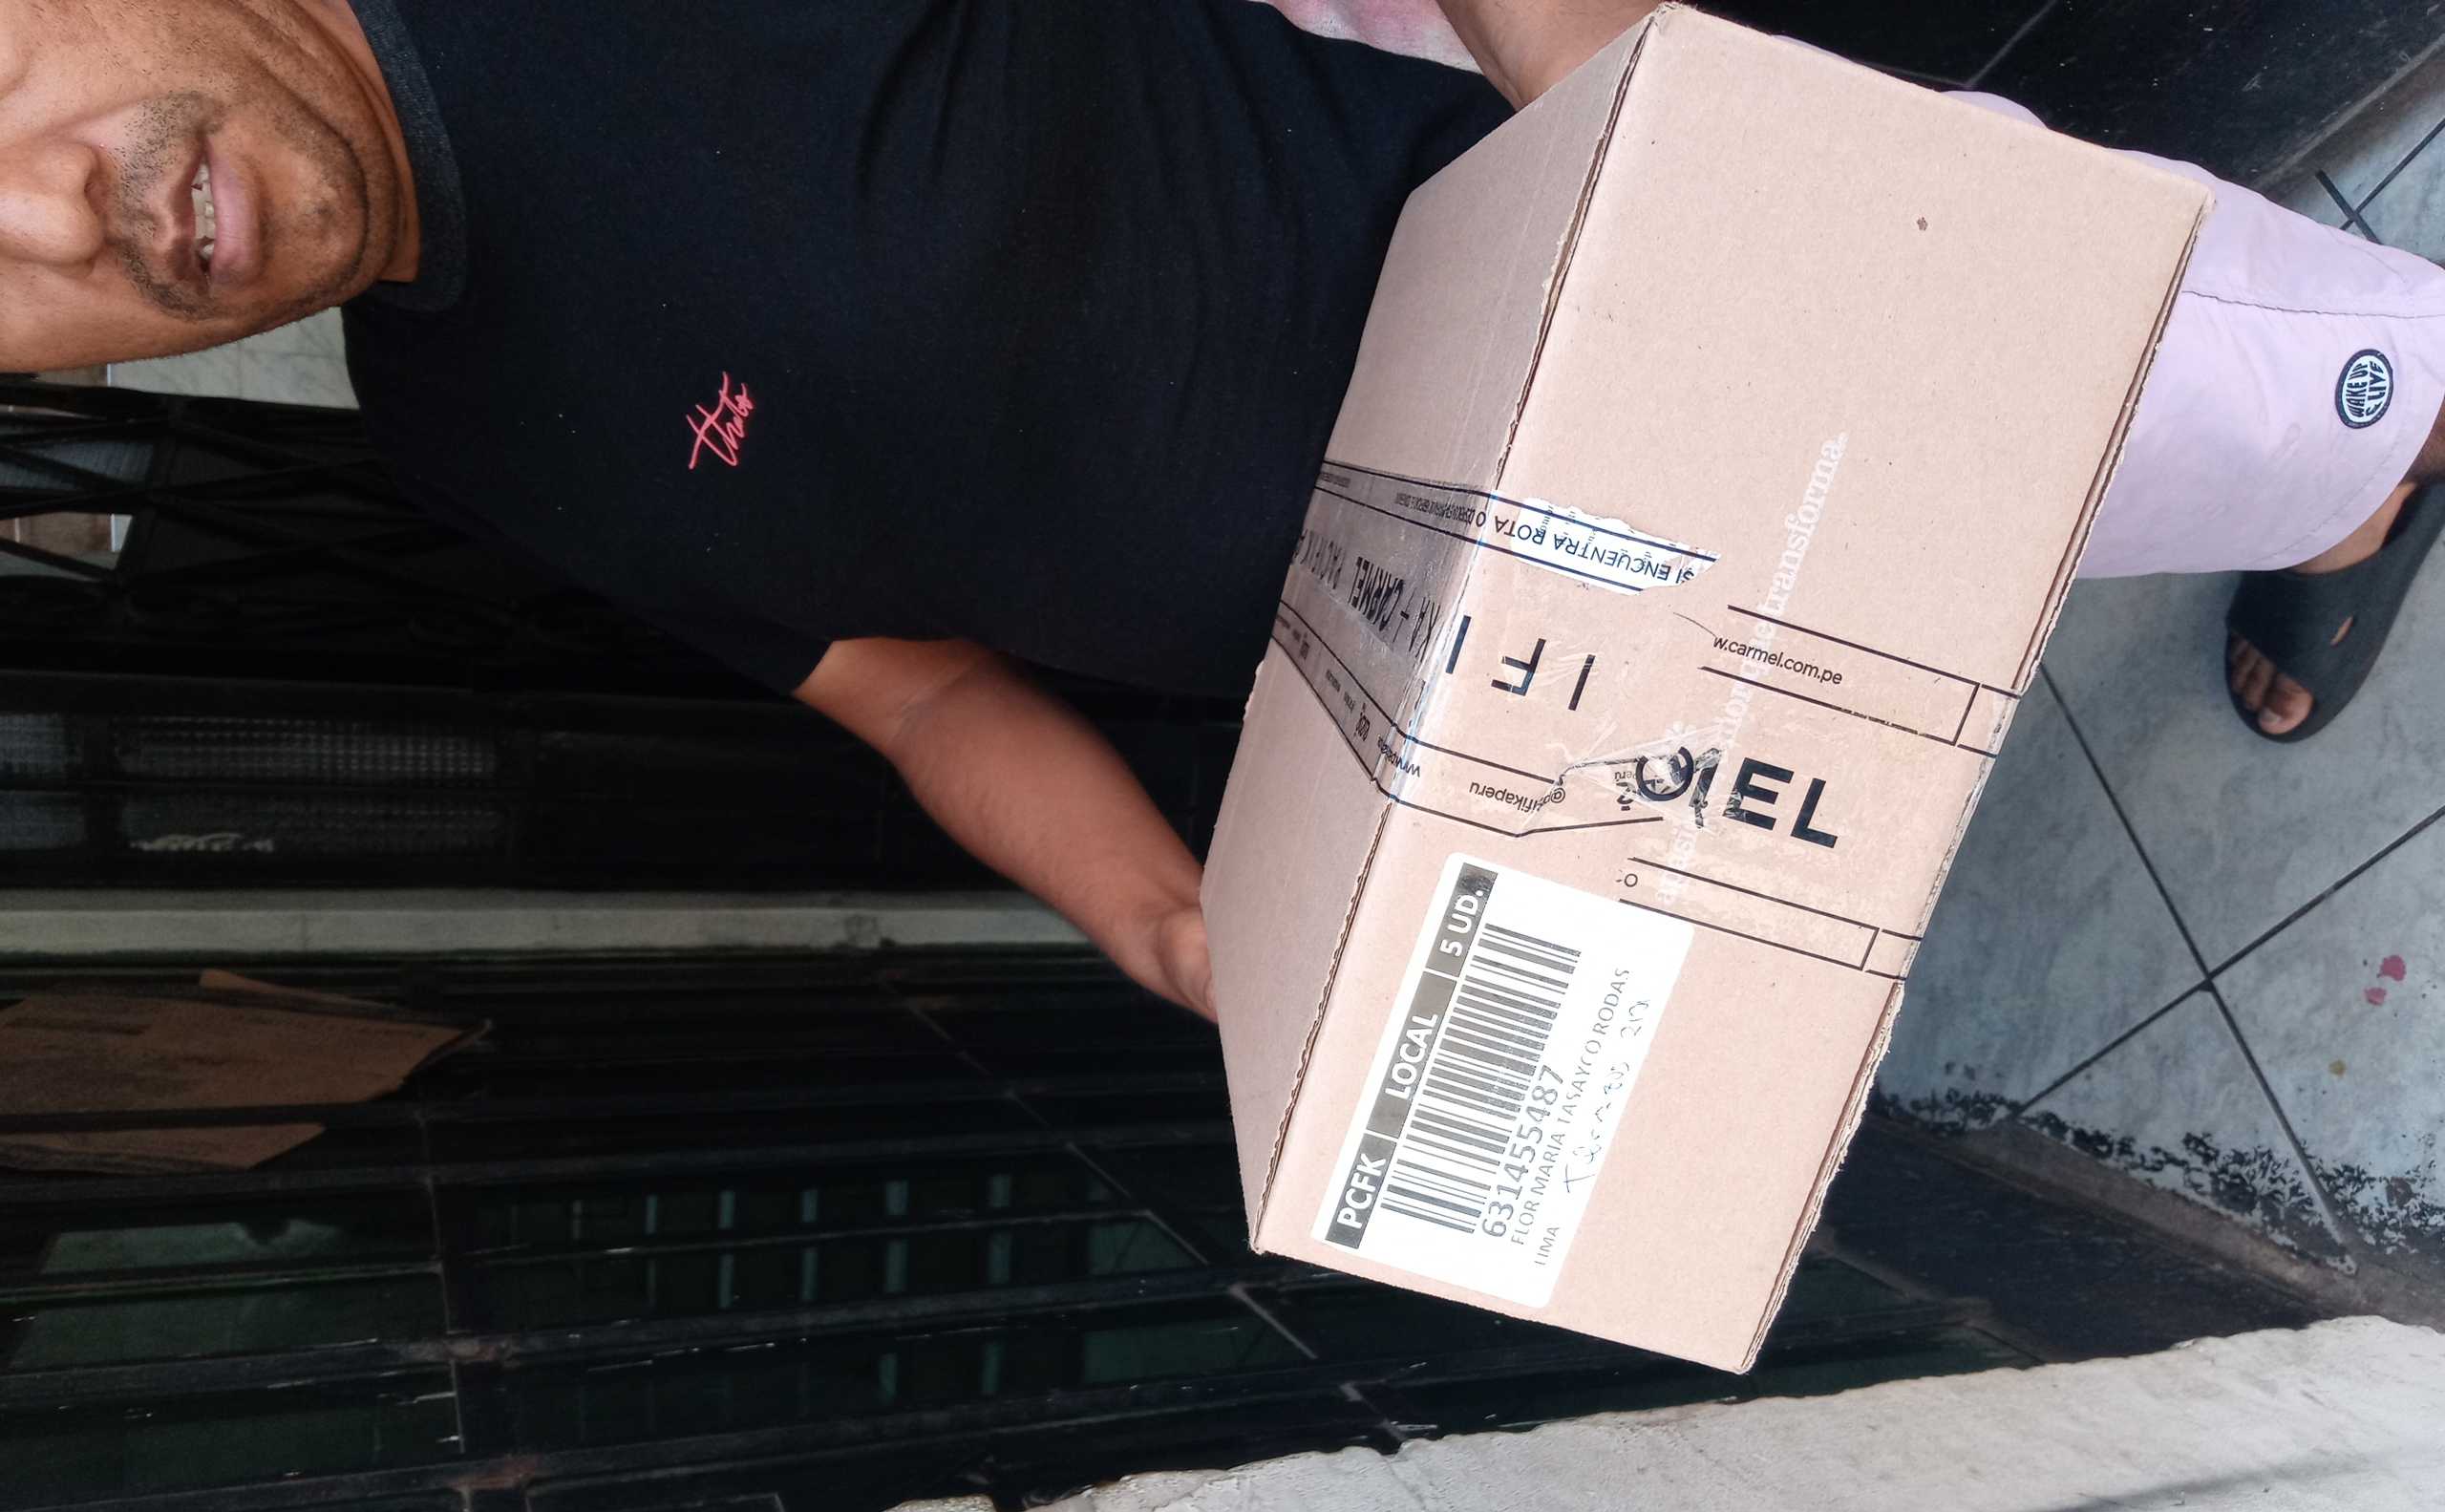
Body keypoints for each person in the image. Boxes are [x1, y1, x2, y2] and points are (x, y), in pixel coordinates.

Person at [5, 0, 2439, 1021]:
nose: (52, 216)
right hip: (1559, 632)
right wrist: (1164, 917)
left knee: (2234, 384)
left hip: (1706, 290)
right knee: (1996, 548)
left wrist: (1656, 150)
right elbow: (902, 686)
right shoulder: (451, 426)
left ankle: (2369, 481)